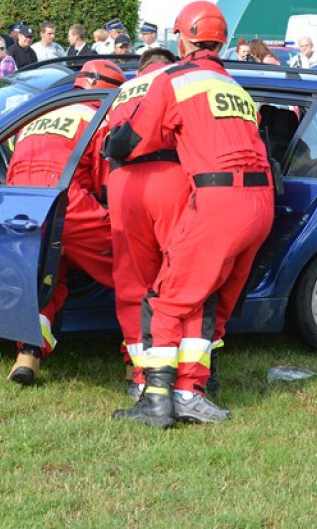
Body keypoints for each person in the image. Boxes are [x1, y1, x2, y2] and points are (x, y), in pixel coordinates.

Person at [105, 0, 274, 427]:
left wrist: (116, 145)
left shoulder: (174, 80)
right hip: (261, 201)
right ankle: (192, 387)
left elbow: (132, 141)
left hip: (218, 200)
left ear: (182, 38)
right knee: (209, 296)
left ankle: (160, 399)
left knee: (166, 298)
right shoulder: (235, 86)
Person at [5, 59, 121, 385]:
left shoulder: (44, 112)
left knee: (48, 278)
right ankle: (142, 361)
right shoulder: (100, 117)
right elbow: (106, 181)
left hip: (22, 206)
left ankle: (27, 356)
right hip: (69, 203)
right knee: (133, 267)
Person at [105, 47, 181, 399]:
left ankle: (139, 374)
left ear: (141, 68)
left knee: (133, 279)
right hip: (171, 177)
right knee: (177, 275)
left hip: (123, 183)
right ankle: (180, 372)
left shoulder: (121, 91)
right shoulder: (180, 81)